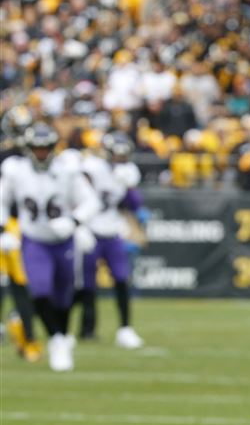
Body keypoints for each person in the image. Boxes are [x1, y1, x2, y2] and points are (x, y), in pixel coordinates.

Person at [0, 123, 99, 371]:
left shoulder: (67, 170)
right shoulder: (16, 171)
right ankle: (57, 339)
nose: (41, 152)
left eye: (45, 147)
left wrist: (75, 222)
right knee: (40, 291)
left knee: (63, 298)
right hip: (34, 240)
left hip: (63, 240)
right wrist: (2, 230)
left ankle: (62, 335)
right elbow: (1, 201)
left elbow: (90, 201)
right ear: (28, 148)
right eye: (37, 147)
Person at [70, 132, 146, 349]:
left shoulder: (128, 171)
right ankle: (86, 329)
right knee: (86, 285)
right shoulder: (92, 167)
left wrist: (129, 188)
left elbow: (133, 204)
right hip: (90, 230)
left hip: (112, 232)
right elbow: (76, 192)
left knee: (122, 279)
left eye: (124, 155)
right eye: (117, 155)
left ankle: (125, 329)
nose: (120, 159)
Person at [0, 106, 42, 362]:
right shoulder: (11, 158)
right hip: (9, 223)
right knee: (17, 285)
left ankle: (26, 335)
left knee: (22, 284)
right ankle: (26, 337)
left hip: (19, 223)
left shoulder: (28, 159)